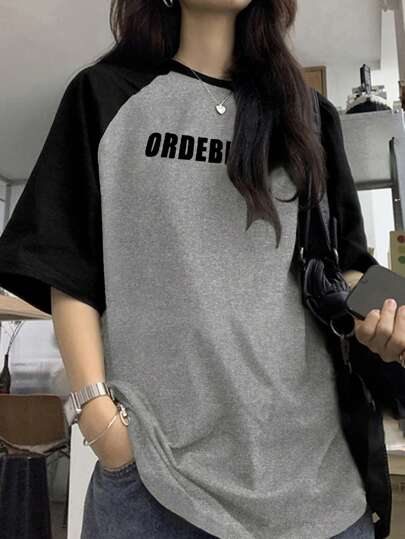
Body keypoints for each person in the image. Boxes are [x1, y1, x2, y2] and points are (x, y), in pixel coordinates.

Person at [0, 0, 402, 537]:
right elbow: (68, 271)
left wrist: (388, 318)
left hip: (317, 487)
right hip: (156, 488)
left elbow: (343, 265)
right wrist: (100, 423)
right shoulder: (104, 97)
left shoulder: (308, 114)